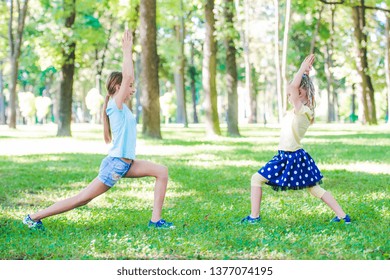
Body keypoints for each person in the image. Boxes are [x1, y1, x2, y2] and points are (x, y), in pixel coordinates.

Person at [23, 30, 174, 230]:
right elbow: (128, 74)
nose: (133, 89)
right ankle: (33, 217)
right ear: (118, 87)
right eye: (130, 87)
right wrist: (127, 50)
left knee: (162, 172)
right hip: (116, 164)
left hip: (126, 163)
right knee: (81, 199)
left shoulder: (120, 107)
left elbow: (128, 77)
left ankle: (155, 222)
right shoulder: (115, 104)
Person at [241, 54, 350, 224]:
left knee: (258, 179)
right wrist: (303, 72)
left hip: (290, 156)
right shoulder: (298, 109)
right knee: (314, 189)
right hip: (287, 155)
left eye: (297, 92)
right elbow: (291, 87)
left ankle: (254, 218)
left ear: (304, 92)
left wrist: (301, 69)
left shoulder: (303, 110)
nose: (291, 95)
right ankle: (343, 216)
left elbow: (292, 86)